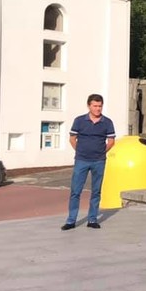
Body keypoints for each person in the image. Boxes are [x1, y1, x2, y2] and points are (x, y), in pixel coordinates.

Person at [61, 94, 115, 230]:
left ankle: (92, 219)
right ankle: (71, 220)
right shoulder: (79, 121)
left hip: (99, 161)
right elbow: (72, 139)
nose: (98, 109)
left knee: (96, 191)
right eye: (95, 106)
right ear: (89, 106)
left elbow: (111, 141)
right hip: (81, 160)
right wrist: (79, 151)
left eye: (100, 106)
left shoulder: (107, 122)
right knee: (75, 191)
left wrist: (101, 152)